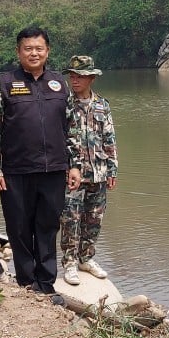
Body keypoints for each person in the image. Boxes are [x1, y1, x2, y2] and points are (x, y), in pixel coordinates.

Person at [0, 27, 81, 296]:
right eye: (28, 48)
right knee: (18, 227)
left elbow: (71, 128)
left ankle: (47, 283)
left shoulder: (60, 84)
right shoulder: (5, 83)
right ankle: (26, 282)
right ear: (18, 52)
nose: (34, 53)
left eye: (39, 48)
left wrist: (74, 165)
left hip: (53, 169)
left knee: (48, 226)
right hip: (15, 170)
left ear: (47, 51)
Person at [58, 55, 118, 286]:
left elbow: (109, 138)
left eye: (80, 76)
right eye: (72, 76)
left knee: (94, 218)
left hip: (99, 171)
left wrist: (112, 170)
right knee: (70, 218)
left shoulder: (102, 104)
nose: (75, 80)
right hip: (72, 172)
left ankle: (86, 258)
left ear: (91, 78)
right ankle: (70, 263)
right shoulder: (63, 104)